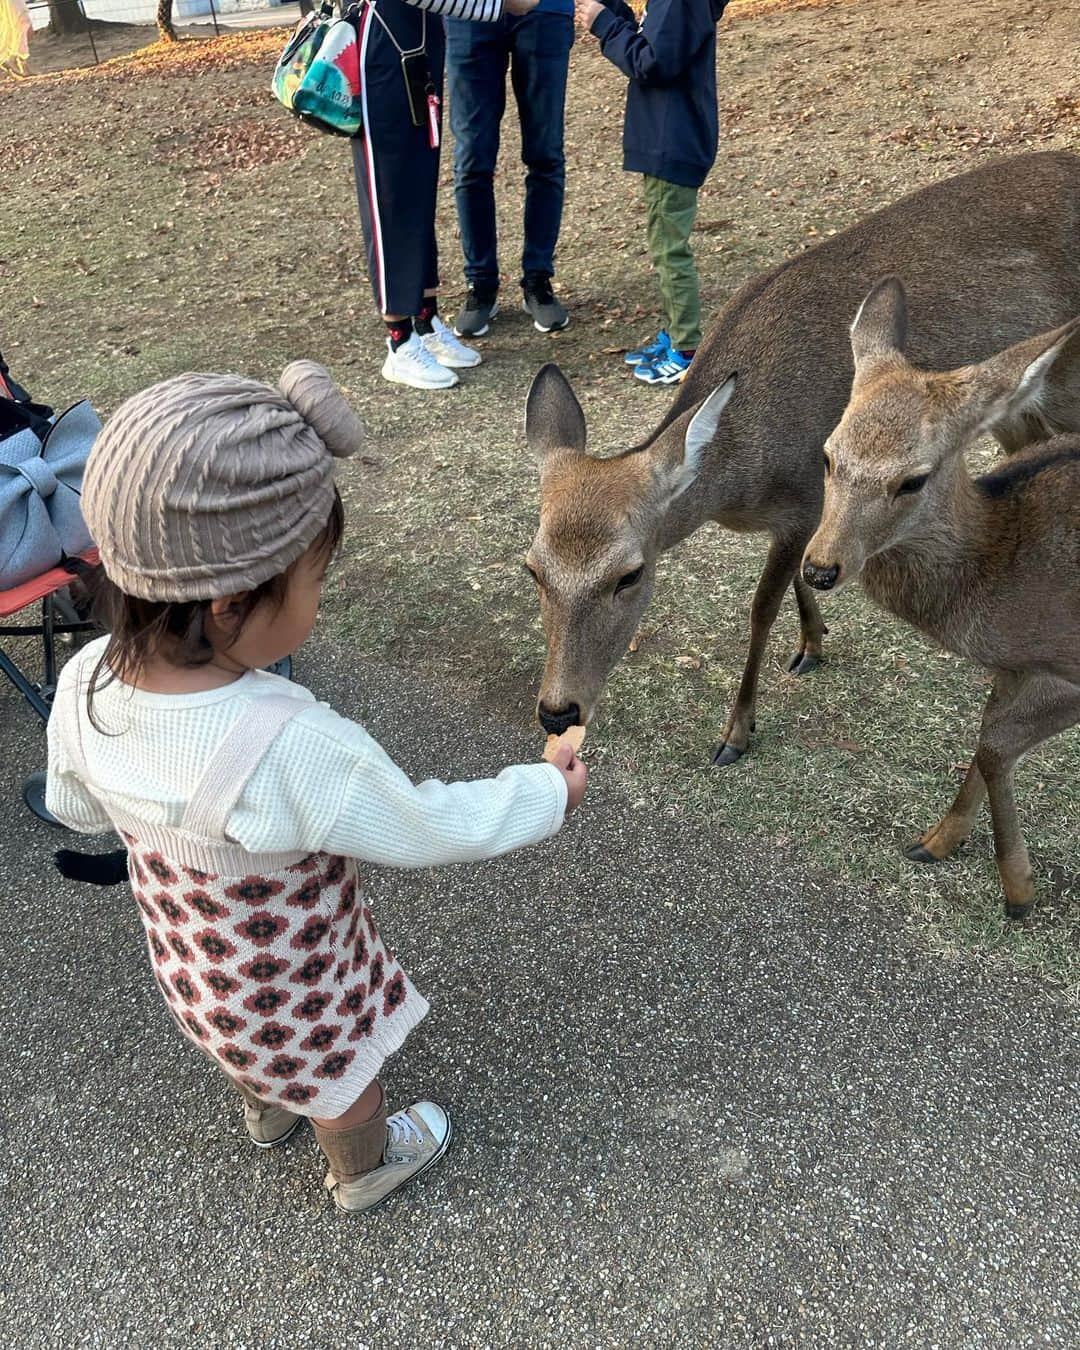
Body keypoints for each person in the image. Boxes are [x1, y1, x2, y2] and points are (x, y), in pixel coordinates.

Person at [46, 361, 588, 1214]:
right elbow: (426, 824)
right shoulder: (291, 744)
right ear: (229, 604)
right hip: (306, 992)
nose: (319, 603)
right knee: (346, 1083)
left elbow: (75, 805)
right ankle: (363, 1169)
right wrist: (544, 792)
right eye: (316, 582)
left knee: (245, 1049)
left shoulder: (82, 683)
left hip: (194, 971)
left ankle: (265, 1116)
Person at [349, 0, 541, 390]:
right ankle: (399, 342)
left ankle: (425, 319)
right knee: (390, 195)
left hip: (418, 44)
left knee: (419, 190)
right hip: (383, 46)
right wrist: (500, 5)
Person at [574, 0, 727, 384]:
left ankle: (687, 349)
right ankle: (676, 331)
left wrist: (604, 25)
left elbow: (653, 63)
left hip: (672, 142)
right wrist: (611, 10)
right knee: (663, 243)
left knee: (669, 249)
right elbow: (651, 40)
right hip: (665, 139)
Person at [445, 0, 575, 338]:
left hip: (545, 10)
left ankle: (538, 280)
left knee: (545, 152)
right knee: (472, 157)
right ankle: (481, 285)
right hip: (467, 12)